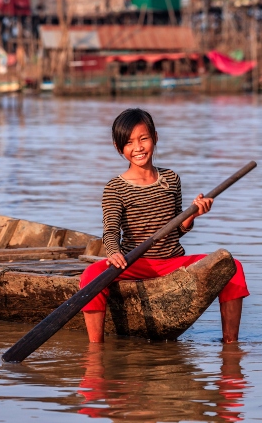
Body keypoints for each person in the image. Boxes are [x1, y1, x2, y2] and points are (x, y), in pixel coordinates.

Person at [79, 108, 249, 344]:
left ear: (155, 138)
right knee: (90, 275)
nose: (138, 147)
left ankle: (231, 346)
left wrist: (193, 215)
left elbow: (175, 229)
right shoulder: (115, 188)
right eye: (129, 142)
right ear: (120, 148)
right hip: (134, 263)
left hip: (171, 260)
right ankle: (95, 348)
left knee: (232, 267)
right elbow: (110, 230)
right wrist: (113, 252)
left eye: (143, 139)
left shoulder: (171, 179)